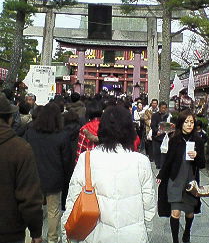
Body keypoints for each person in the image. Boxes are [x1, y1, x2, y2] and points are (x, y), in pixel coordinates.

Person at [62, 105, 156, 243]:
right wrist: (145, 233)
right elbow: (148, 205)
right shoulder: (141, 162)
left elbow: (73, 200)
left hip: (95, 235)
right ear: (130, 130)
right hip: (133, 236)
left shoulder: (87, 159)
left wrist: (67, 235)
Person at [25, 102, 72, 243]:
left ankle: (31, 237)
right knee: (54, 211)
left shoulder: (30, 133)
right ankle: (52, 238)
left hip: (33, 178)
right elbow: (67, 161)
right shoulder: (62, 136)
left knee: (33, 209)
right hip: (54, 178)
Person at [157, 109, 205, 243]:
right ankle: (175, 240)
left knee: (189, 212)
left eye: (191, 122)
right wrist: (161, 174)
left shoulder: (198, 141)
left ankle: (187, 232)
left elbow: (202, 164)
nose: (189, 124)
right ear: (181, 123)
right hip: (175, 181)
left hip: (191, 182)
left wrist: (196, 156)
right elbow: (168, 160)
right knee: (175, 213)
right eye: (186, 122)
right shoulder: (174, 140)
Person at [0, 93, 43, 243]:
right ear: (10, 118)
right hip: (9, 231)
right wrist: (36, 232)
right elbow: (29, 197)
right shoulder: (20, 149)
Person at [151, 101, 173, 169]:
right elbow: (152, 125)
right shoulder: (155, 115)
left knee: (164, 152)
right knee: (157, 152)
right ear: (159, 108)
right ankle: (158, 165)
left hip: (165, 137)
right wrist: (157, 131)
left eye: (165, 108)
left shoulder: (168, 116)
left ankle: (163, 165)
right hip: (157, 137)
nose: (163, 109)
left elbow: (170, 125)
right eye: (162, 108)